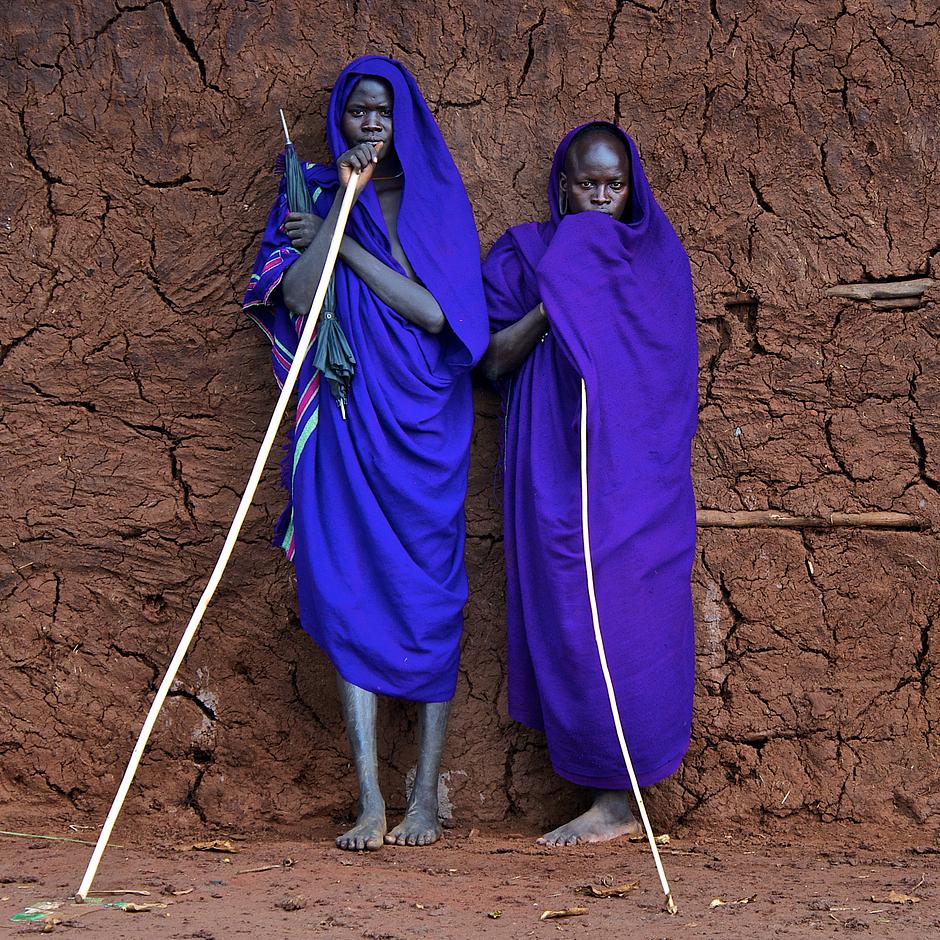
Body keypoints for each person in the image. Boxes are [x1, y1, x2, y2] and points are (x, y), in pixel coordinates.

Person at [243, 56, 488, 850]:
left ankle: (424, 797)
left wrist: (347, 240)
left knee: (429, 599)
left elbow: (432, 314)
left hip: (421, 428)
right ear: (340, 121)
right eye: (359, 113)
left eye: (384, 113)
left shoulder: (434, 204)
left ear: (405, 120)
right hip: (347, 419)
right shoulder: (310, 194)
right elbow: (298, 298)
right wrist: (334, 210)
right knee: (348, 584)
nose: (371, 125)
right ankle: (371, 801)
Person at [480, 123, 697, 846]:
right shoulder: (526, 256)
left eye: (614, 185)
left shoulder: (657, 261)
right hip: (553, 473)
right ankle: (602, 792)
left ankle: (623, 802)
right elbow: (491, 363)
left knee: (635, 622)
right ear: (561, 185)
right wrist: (555, 299)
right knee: (572, 616)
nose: (600, 198)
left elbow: (667, 376)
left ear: (631, 188)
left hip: (635, 479)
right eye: (585, 185)